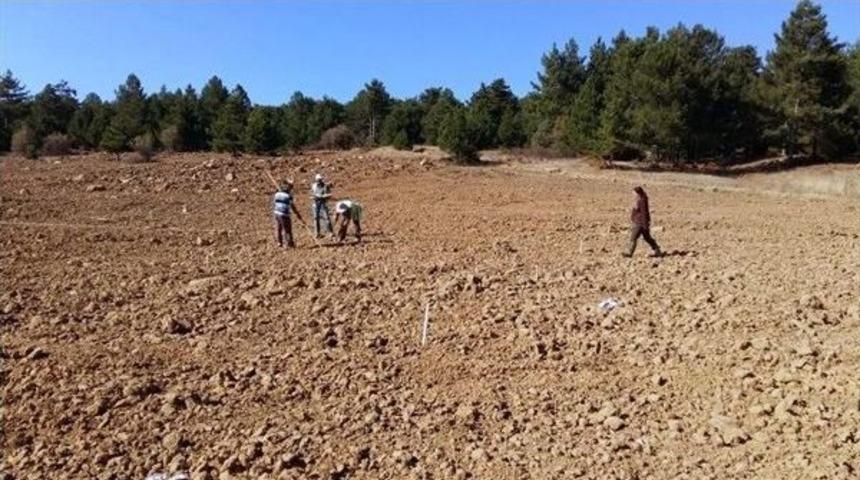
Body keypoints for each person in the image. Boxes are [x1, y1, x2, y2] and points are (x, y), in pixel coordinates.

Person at [623, 186, 662, 257]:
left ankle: (629, 253)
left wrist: (645, 225)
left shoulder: (642, 201)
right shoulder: (638, 200)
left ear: (638, 193)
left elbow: (644, 213)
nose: (633, 195)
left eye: (634, 193)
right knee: (647, 238)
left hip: (640, 223)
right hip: (638, 222)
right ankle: (657, 250)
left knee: (633, 237)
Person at [272, 180, 304, 248]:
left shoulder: (277, 194)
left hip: (277, 213)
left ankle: (279, 243)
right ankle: (289, 244)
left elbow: (275, 202)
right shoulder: (288, 196)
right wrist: (298, 215)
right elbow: (292, 206)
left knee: (279, 228)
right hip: (284, 214)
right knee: (287, 229)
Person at [310, 173, 333, 238]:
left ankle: (330, 232)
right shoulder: (314, 186)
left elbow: (330, 194)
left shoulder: (325, 186)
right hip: (316, 203)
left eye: (320, 180)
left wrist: (323, 196)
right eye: (318, 180)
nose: (319, 181)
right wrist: (315, 197)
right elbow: (311, 195)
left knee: (326, 217)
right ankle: (317, 233)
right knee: (316, 218)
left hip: (323, 203)